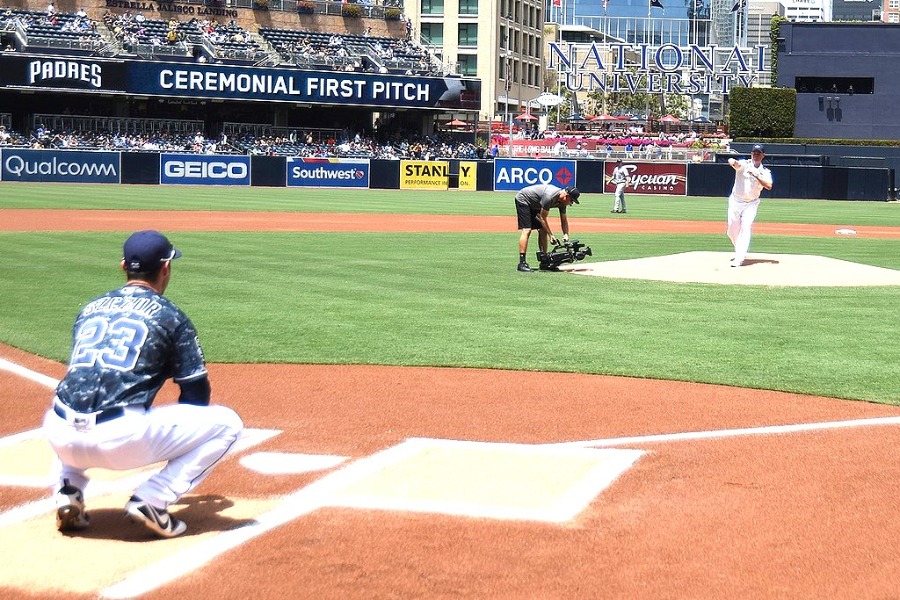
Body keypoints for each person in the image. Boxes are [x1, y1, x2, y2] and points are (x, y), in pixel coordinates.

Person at [44, 230, 244, 538]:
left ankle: (67, 489)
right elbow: (196, 393)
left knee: (74, 399)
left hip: (59, 434)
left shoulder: (89, 308)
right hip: (120, 439)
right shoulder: (170, 316)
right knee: (228, 423)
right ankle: (153, 499)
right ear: (165, 268)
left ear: (124, 266)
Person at [514, 184, 581, 272]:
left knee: (542, 230)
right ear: (566, 196)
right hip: (524, 199)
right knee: (527, 230)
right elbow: (543, 218)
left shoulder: (563, 203)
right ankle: (522, 263)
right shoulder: (549, 197)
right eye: (572, 200)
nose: (571, 204)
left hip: (536, 204)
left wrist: (566, 234)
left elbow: (564, 220)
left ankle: (544, 262)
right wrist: (551, 235)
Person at [726, 144, 773, 267]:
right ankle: (740, 249)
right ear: (751, 153)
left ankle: (739, 257)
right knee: (732, 230)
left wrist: (756, 175)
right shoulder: (745, 164)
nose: (756, 155)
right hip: (736, 201)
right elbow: (736, 164)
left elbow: (769, 185)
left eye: (758, 153)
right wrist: (732, 161)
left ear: (763, 155)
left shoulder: (764, 171)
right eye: (754, 153)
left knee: (746, 228)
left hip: (751, 203)